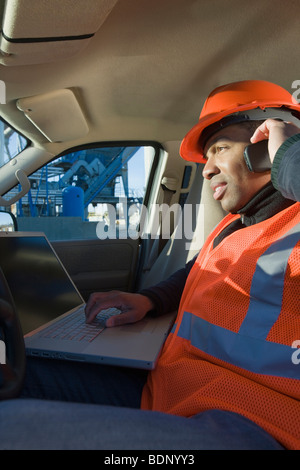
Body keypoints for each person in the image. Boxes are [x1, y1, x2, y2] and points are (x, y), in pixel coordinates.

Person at [4, 80, 299, 450]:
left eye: (220, 148)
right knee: (14, 374)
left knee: (13, 432)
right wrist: (150, 300)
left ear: (267, 144)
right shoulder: (235, 226)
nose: (206, 171)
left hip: (259, 422)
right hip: (170, 390)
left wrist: (291, 154)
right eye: (206, 157)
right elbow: (197, 272)